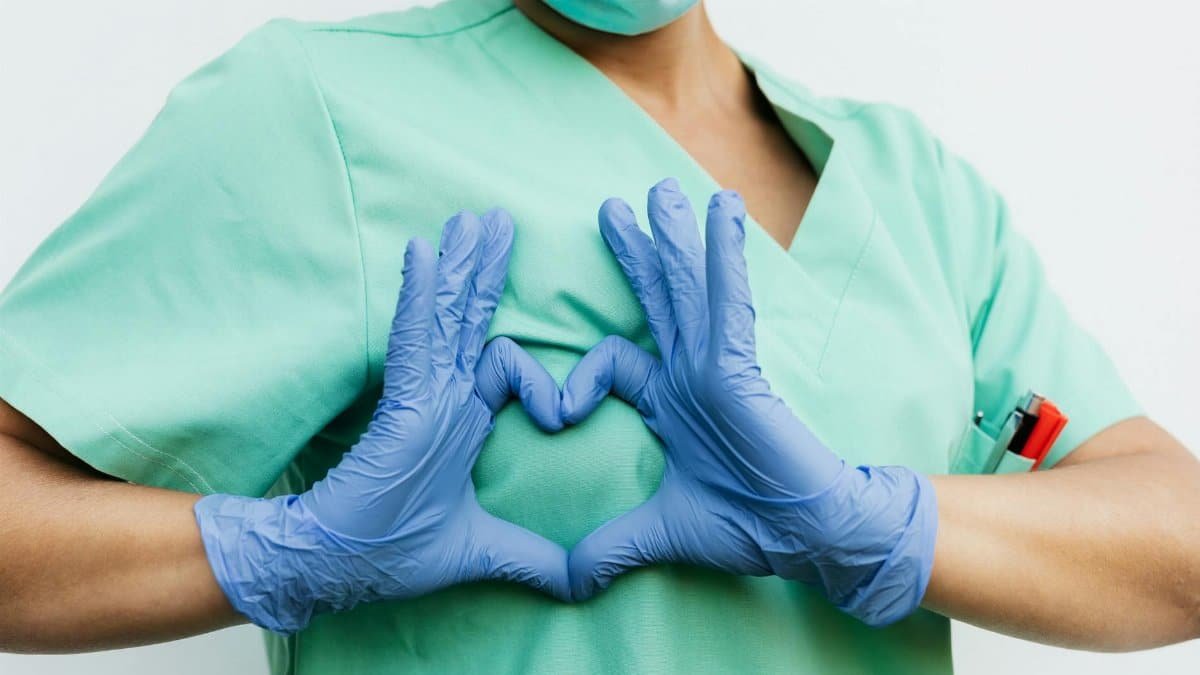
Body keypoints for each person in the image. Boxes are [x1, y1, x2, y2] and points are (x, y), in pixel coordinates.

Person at [0, 0, 1197, 673]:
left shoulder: (910, 180)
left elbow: (1173, 541)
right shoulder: (315, 111)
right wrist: (287, 550)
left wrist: (875, 521)